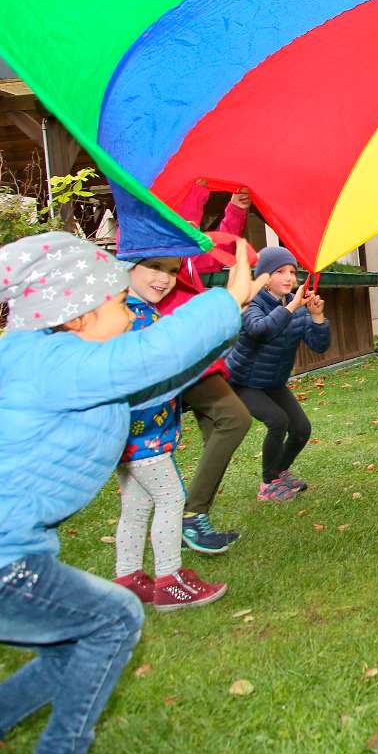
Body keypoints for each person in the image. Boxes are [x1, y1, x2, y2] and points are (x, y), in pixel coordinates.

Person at [0, 232, 257, 754]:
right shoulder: (59, 364)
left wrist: (228, 325)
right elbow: (149, 355)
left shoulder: (66, 370)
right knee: (114, 620)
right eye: (118, 305)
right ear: (79, 316)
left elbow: (154, 383)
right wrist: (224, 302)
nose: (130, 314)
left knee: (76, 648)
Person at [110, 257, 229, 611]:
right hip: (143, 432)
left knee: (136, 504)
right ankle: (169, 580)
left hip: (130, 434)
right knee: (171, 499)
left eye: (174, 271)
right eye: (155, 267)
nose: (165, 279)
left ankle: (128, 577)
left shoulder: (128, 310)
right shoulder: (133, 317)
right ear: (127, 267)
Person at [162, 180, 254, 554]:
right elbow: (188, 229)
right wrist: (196, 183)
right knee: (234, 419)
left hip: (196, 351)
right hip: (182, 353)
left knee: (215, 429)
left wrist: (236, 207)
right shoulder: (159, 243)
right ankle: (189, 517)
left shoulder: (184, 257)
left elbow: (214, 247)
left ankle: (189, 521)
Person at [225, 246, 331, 499]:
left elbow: (319, 346)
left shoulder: (297, 306)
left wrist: (317, 317)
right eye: (280, 271)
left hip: (272, 382)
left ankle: (280, 471)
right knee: (277, 421)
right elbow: (261, 329)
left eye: (292, 272)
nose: (289, 278)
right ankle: (268, 484)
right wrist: (293, 306)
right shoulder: (251, 303)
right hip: (242, 381)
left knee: (301, 428)